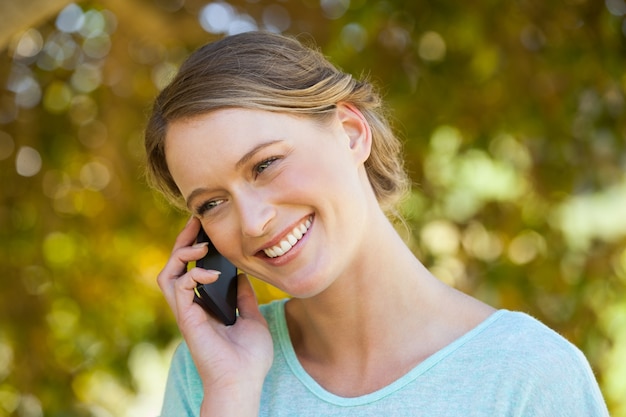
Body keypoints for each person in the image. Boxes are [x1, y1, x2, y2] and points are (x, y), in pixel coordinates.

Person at [144, 31, 609, 416]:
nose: (253, 221)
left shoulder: (529, 373)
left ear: (350, 133)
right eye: (212, 204)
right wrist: (231, 394)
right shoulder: (211, 372)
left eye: (265, 165)